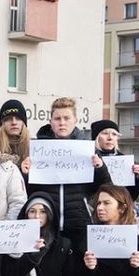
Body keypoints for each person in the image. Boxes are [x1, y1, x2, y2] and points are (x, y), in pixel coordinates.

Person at [20, 97, 111, 248]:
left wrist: (100, 169)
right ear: (51, 121)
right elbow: (28, 193)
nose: (62, 122)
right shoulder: (37, 149)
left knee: (78, 269)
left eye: (66, 118)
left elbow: (106, 188)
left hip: (79, 223)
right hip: (47, 225)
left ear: (75, 120)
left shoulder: (88, 150)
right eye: (57, 118)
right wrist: (25, 174)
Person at [92, 119, 139, 202]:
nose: (110, 138)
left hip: (119, 208)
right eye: (105, 133)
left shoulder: (124, 161)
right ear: (96, 137)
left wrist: (138, 178)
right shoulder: (89, 159)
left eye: (114, 134)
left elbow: (131, 197)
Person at [0, 99, 31, 163]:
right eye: (8, 119)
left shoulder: (34, 150)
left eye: (18, 119)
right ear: (2, 124)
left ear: (23, 123)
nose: (14, 122)